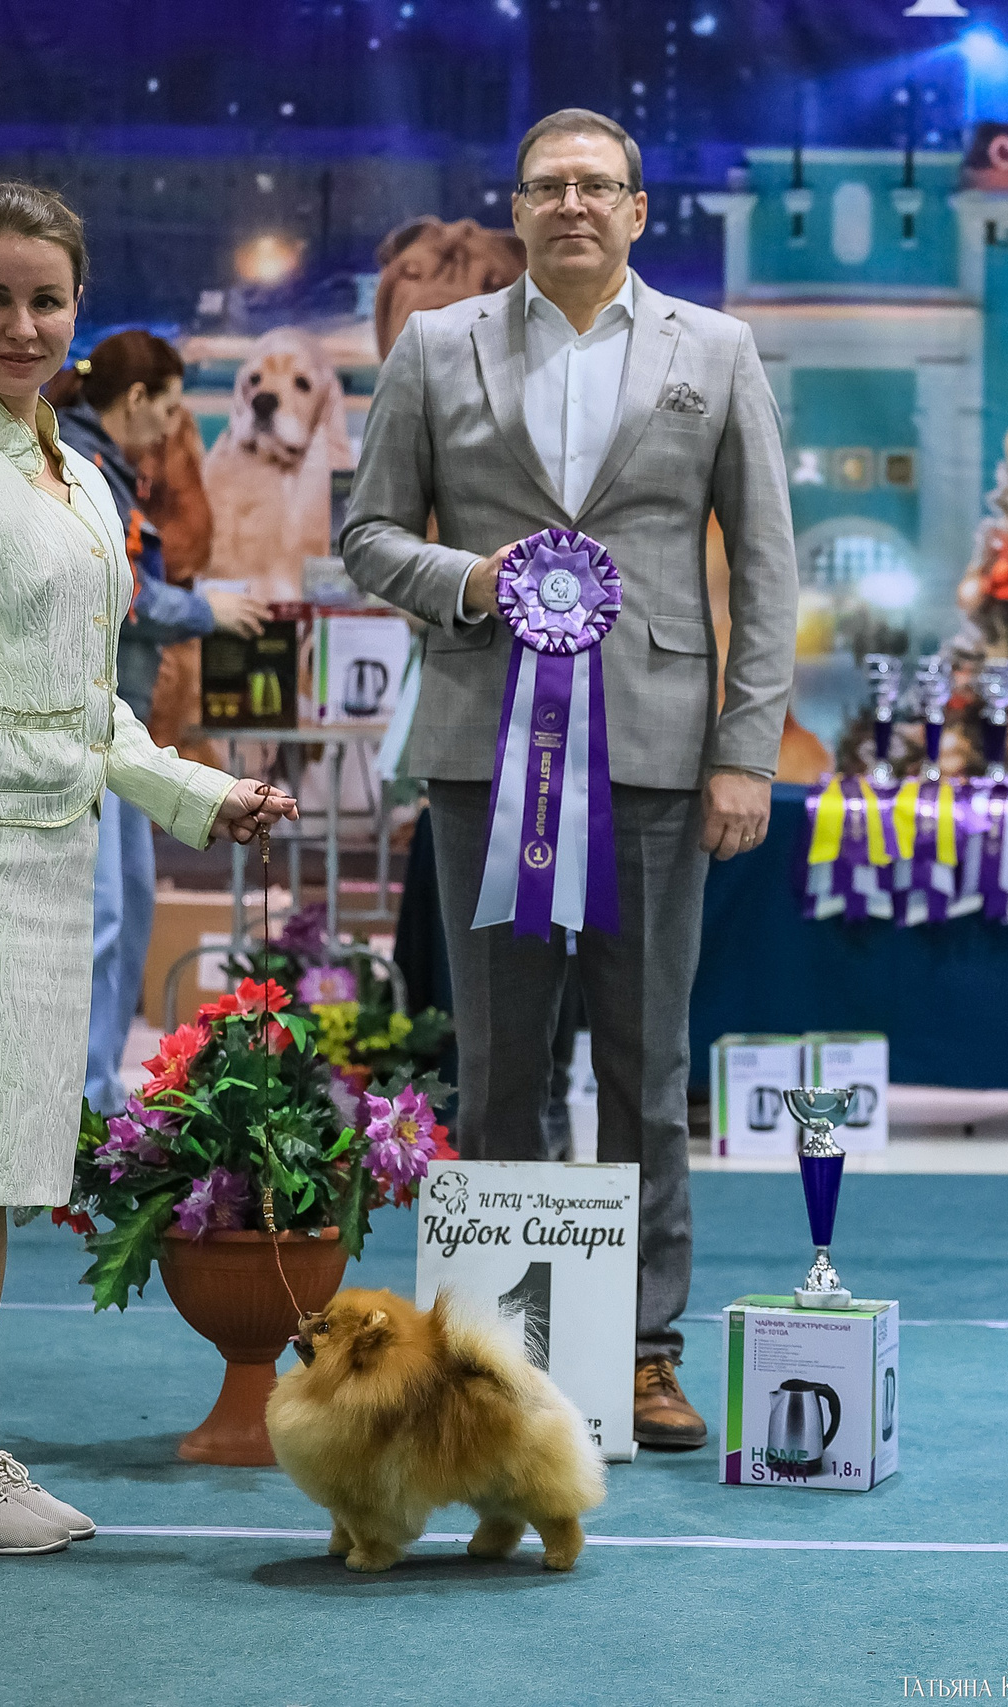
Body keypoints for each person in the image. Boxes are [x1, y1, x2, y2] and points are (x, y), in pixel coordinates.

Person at [0, 182, 297, 1555]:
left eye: (46, 299)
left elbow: (90, 703)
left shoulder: (78, 476)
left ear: (77, 314)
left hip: (49, 856)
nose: (20, 323)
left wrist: (203, 792)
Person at [342, 108, 796, 1451]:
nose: (575, 204)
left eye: (600, 185)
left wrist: (746, 747)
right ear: (518, 209)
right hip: (485, 759)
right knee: (495, 1078)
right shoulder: (436, 349)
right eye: (549, 186)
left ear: (641, 211)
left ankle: (646, 1349)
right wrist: (472, 581)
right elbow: (364, 534)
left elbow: (766, 563)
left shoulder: (715, 351)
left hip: (660, 761)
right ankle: (492, 1352)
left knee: (649, 1075)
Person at [46, 332, 269, 1112]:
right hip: (82, 721)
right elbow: (122, 595)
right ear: (137, 399)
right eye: (172, 408)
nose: (176, 426)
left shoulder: (106, 467)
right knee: (102, 914)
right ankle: (83, 1104)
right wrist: (210, 610)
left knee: (129, 904)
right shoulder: (75, 464)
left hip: (125, 728)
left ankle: (100, 1091)